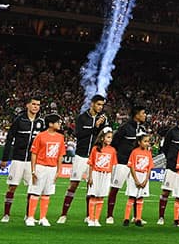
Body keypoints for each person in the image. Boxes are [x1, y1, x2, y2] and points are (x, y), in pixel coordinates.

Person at [59, 93, 107, 225]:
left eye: (102, 105)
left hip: (95, 157)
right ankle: (63, 214)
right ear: (92, 104)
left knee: (91, 187)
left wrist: (101, 127)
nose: (100, 107)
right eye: (98, 104)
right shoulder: (82, 118)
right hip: (80, 156)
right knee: (73, 185)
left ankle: (89, 216)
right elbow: (79, 135)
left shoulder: (104, 119)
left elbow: (104, 137)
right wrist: (95, 127)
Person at [0, 96, 44, 223]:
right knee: (12, 187)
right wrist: (5, 158)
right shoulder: (19, 120)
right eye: (34, 104)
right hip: (18, 159)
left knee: (32, 188)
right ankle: (6, 214)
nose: (36, 107)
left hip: (32, 161)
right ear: (28, 105)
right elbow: (9, 139)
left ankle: (28, 215)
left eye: (38, 105)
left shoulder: (41, 122)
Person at [106, 105, 148, 225]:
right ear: (136, 115)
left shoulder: (142, 129)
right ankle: (109, 215)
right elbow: (114, 143)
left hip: (137, 165)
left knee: (137, 190)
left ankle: (136, 216)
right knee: (115, 188)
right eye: (143, 113)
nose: (145, 115)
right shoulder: (125, 128)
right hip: (122, 162)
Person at [26, 113, 65, 227]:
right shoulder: (40, 136)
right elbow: (34, 154)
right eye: (58, 122)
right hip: (41, 166)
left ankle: (43, 217)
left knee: (47, 193)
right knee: (35, 192)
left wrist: (59, 171)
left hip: (52, 168)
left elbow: (60, 155)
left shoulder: (60, 137)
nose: (59, 124)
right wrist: (33, 170)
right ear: (50, 124)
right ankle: (30, 217)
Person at [86, 127, 116, 227]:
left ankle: (96, 219)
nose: (110, 139)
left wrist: (110, 177)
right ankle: (90, 218)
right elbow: (91, 163)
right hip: (96, 173)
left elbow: (112, 164)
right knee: (93, 195)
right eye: (108, 137)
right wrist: (89, 177)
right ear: (102, 138)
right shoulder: (95, 149)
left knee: (101, 196)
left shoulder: (112, 150)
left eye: (111, 137)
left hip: (106, 174)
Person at [124, 132, 154, 227]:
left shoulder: (148, 153)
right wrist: (136, 180)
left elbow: (149, 167)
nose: (147, 143)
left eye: (148, 141)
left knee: (140, 198)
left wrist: (146, 180)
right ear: (139, 142)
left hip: (144, 175)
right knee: (132, 197)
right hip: (135, 175)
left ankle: (138, 218)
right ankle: (126, 218)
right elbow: (131, 166)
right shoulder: (134, 152)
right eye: (144, 141)